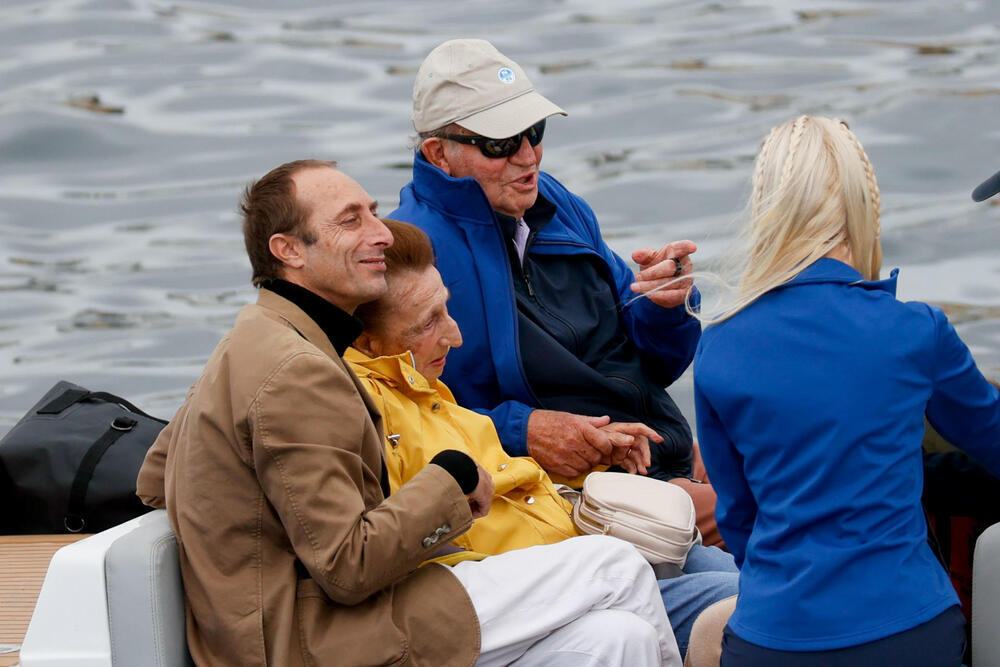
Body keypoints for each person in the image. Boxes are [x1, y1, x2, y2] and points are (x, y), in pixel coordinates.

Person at [136, 159, 682, 666]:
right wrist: (452, 480)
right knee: (616, 565)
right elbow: (348, 568)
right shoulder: (298, 370)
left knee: (617, 638)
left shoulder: (253, 338)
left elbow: (156, 476)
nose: (379, 232)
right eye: (350, 220)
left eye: (373, 211)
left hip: (285, 625)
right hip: (309, 641)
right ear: (288, 251)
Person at [347, 218, 740, 656]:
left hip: (590, 524)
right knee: (741, 602)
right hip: (560, 580)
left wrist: (661, 309)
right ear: (365, 342)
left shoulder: (424, 385)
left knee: (740, 574)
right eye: (428, 323)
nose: (455, 336)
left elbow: (652, 354)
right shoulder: (369, 411)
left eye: (448, 309)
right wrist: (532, 432)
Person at [692, 116, 1000, 665]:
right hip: (911, 630)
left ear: (768, 209)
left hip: (776, 636)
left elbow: (740, 519)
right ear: (865, 207)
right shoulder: (916, 330)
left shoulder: (718, 347)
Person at [390, 38, 722, 545]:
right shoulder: (405, 255)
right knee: (772, 513)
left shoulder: (559, 205)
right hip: (566, 494)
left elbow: (655, 363)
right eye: (500, 143)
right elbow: (402, 421)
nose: (527, 155)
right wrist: (526, 432)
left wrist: (664, 308)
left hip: (655, 454)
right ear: (439, 153)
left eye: (533, 131)